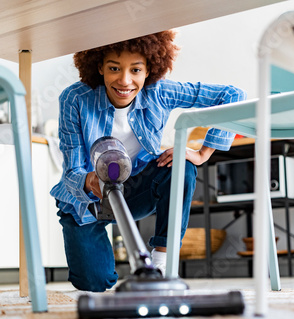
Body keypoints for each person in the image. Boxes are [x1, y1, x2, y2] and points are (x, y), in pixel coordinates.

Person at [50, 30, 245, 292]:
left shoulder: (159, 92)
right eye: (114, 68)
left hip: (135, 189)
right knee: (94, 283)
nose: (125, 80)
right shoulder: (75, 99)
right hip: (88, 202)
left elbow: (232, 95)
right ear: (99, 67)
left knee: (181, 167)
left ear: (148, 70)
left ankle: (161, 265)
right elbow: (72, 171)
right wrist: (88, 179)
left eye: (136, 70)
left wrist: (202, 153)